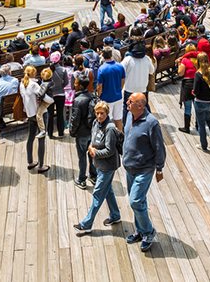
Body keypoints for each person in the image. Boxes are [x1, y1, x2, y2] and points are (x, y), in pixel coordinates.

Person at [122, 93, 166, 252]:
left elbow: (159, 147)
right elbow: (127, 136)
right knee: (139, 201)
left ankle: (148, 232)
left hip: (144, 169)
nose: (127, 102)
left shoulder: (151, 123)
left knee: (135, 200)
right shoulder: (128, 115)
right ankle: (140, 231)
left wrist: (159, 167)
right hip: (129, 167)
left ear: (140, 106)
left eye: (131, 101)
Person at [73, 101, 121, 234]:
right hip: (99, 164)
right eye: (97, 113)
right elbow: (93, 138)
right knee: (108, 190)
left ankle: (86, 224)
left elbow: (110, 151)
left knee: (98, 194)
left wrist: (95, 153)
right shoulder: (95, 123)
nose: (99, 116)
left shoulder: (110, 128)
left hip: (108, 166)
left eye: (102, 113)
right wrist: (90, 146)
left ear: (107, 113)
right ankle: (115, 215)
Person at [69, 75, 97, 189]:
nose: (74, 85)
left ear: (80, 85)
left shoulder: (78, 100)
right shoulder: (93, 97)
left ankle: (81, 179)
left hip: (82, 133)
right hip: (92, 131)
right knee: (92, 155)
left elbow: (75, 119)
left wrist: (72, 131)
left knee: (82, 157)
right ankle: (93, 176)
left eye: (75, 83)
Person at [19, 66, 49, 173]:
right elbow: (44, 97)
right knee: (41, 138)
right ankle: (41, 165)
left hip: (30, 113)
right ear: (34, 74)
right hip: (40, 113)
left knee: (30, 137)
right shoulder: (34, 85)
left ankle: (30, 161)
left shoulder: (22, 84)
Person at [191, 52, 210, 150]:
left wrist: (193, 92)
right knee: (209, 120)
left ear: (198, 61)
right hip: (209, 102)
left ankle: (203, 145)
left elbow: (196, 91)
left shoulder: (198, 74)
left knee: (201, 125)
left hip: (200, 102)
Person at [121, 41, 155, 125]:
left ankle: (125, 126)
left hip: (129, 90)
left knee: (127, 108)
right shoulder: (147, 59)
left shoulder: (128, 59)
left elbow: (120, 70)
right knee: (144, 107)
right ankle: (148, 124)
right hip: (142, 90)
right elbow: (152, 71)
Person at [96, 47, 126, 130]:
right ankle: (120, 138)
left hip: (106, 99)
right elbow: (123, 80)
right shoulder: (120, 66)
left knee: (105, 121)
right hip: (118, 97)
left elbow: (99, 86)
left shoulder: (101, 69)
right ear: (111, 55)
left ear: (102, 56)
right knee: (118, 119)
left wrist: (99, 96)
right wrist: (119, 89)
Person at [176, 44, 198, 133]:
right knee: (197, 106)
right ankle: (198, 125)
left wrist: (178, 64)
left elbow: (180, 73)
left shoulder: (185, 60)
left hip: (187, 85)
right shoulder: (198, 60)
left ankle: (187, 127)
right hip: (197, 84)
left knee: (188, 107)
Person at [47, 52, 69, 138]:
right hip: (60, 94)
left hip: (50, 95)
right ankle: (61, 132)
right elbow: (66, 82)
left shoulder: (47, 70)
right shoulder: (63, 70)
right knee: (60, 114)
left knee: (50, 114)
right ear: (59, 60)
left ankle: (50, 133)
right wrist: (60, 87)